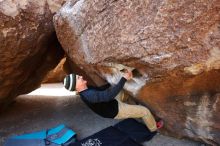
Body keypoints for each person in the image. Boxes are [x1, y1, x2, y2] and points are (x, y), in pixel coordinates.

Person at [63, 70, 163, 132]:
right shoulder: (89, 95)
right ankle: (154, 128)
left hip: (111, 103)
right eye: (78, 78)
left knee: (124, 93)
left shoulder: (86, 89)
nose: (81, 77)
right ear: (76, 85)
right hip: (114, 110)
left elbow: (102, 90)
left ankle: (136, 112)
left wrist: (113, 82)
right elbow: (108, 96)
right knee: (145, 111)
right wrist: (123, 79)